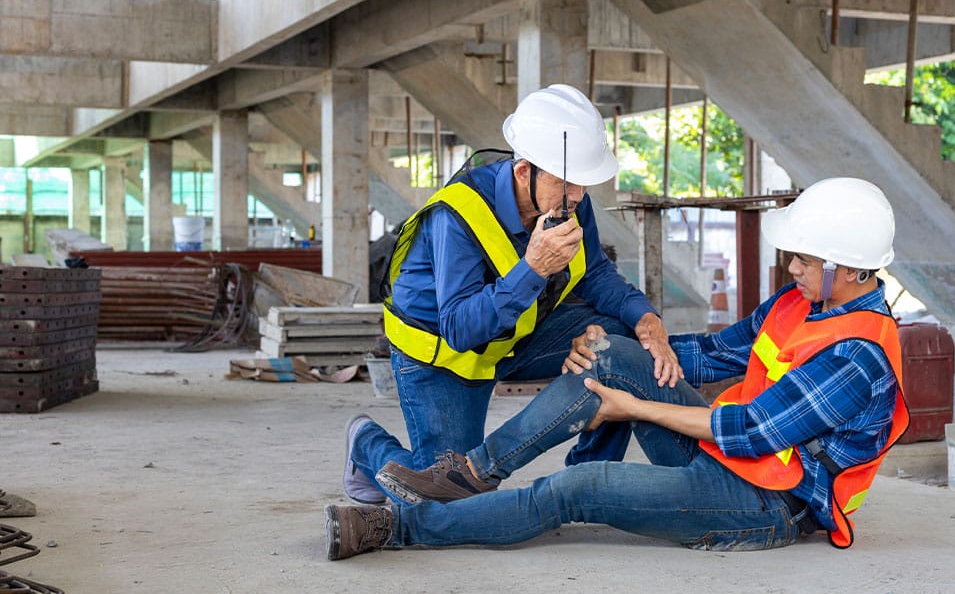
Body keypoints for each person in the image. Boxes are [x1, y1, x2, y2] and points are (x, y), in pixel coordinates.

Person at [324, 177, 911, 559]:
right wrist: (629, 340)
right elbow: (711, 355)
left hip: (766, 501)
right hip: (732, 455)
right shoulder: (799, 303)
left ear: (849, 269)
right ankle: (473, 472)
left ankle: (399, 527)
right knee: (609, 353)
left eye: (805, 260)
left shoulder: (857, 354)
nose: (792, 269)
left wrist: (629, 406)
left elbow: (752, 430)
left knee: (578, 490)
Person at [343, 84, 682, 505]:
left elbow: (593, 272)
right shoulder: (457, 215)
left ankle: (588, 475)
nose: (577, 196)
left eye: (584, 184)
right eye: (567, 183)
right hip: (445, 354)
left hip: (515, 335)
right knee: (446, 497)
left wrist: (645, 317)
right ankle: (366, 443)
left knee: (621, 344)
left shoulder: (568, 201)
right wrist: (534, 268)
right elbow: (461, 329)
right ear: (524, 171)